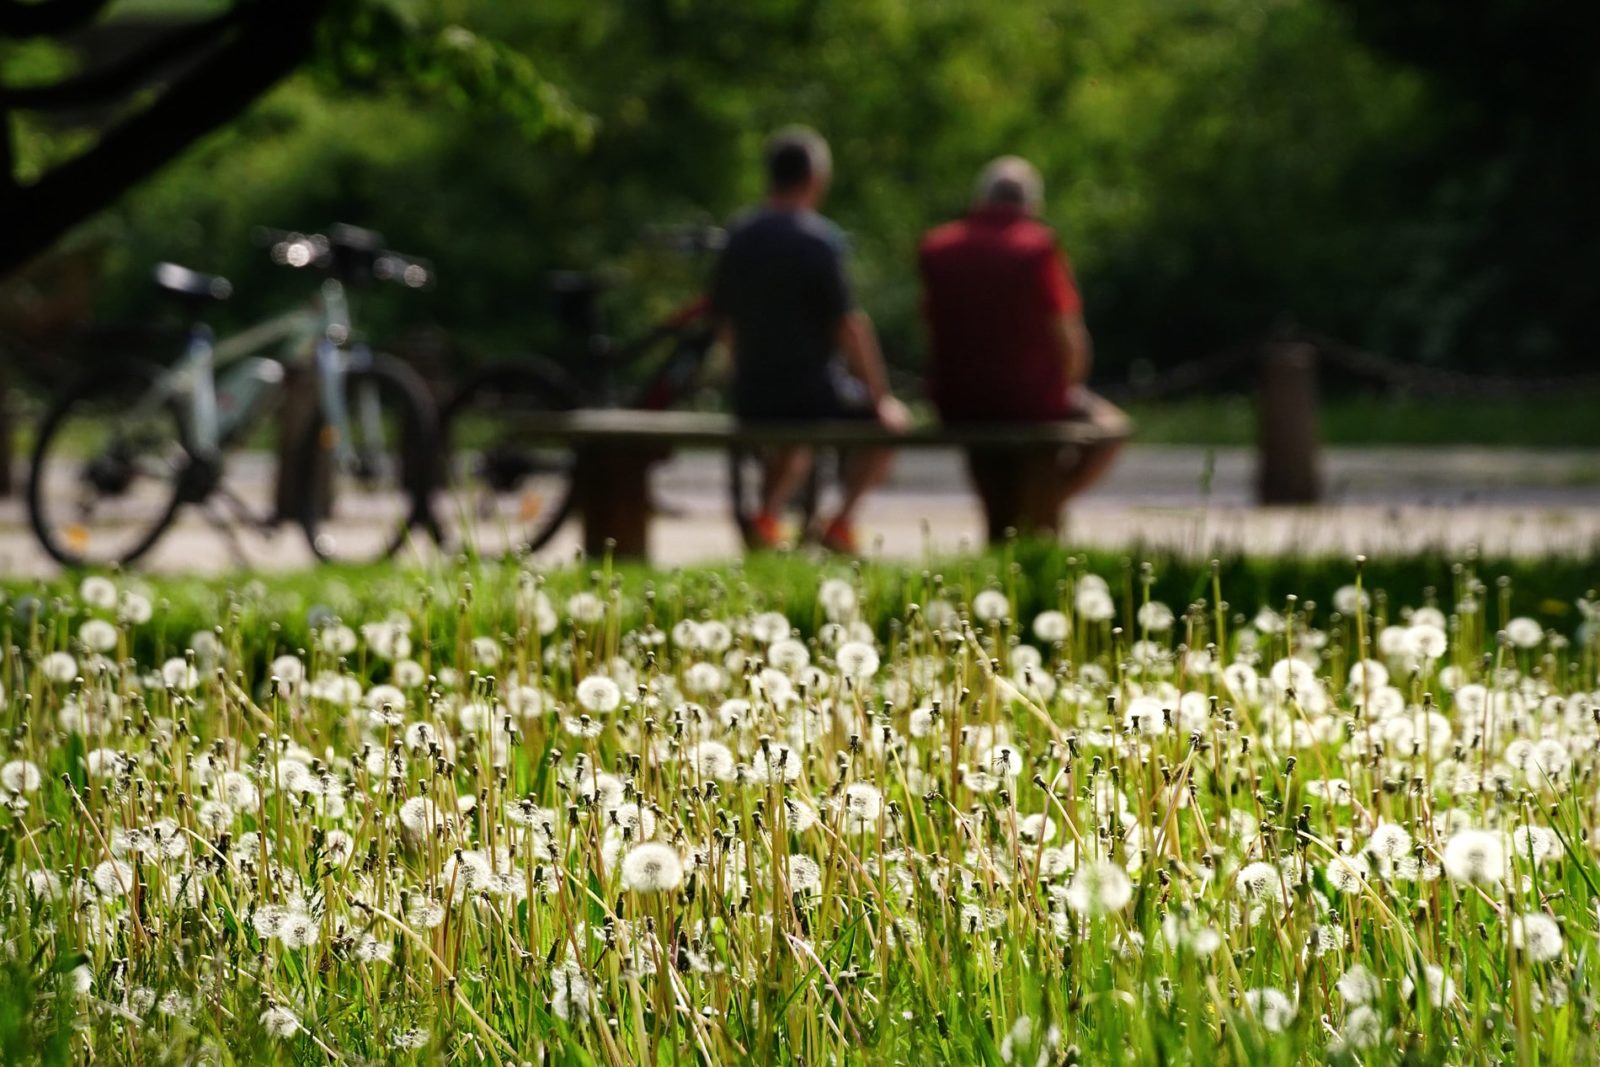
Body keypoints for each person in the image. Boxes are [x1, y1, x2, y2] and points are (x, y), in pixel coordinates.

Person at [710, 126, 909, 554]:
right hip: (810, 393)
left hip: (752, 394)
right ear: (816, 178)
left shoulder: (739, 236)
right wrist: (880, 398)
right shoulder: (819, 241)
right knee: (892, 427)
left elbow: (725, 325)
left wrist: (739, 374)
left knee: (791, 440)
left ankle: (766, 519)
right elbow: (850, 327)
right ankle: (839, 524)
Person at [918, 156, 1127, 542]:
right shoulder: (1036, 248)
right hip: (1029, 400)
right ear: (1031, 204)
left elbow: (931, 327)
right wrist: (1068, 386)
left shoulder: (938, 247)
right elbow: (1069, 336)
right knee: (1112, 430)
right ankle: (1043, 509)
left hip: (957, 401)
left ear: (981, 199)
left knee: (995, 465)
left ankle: (1013, 524)